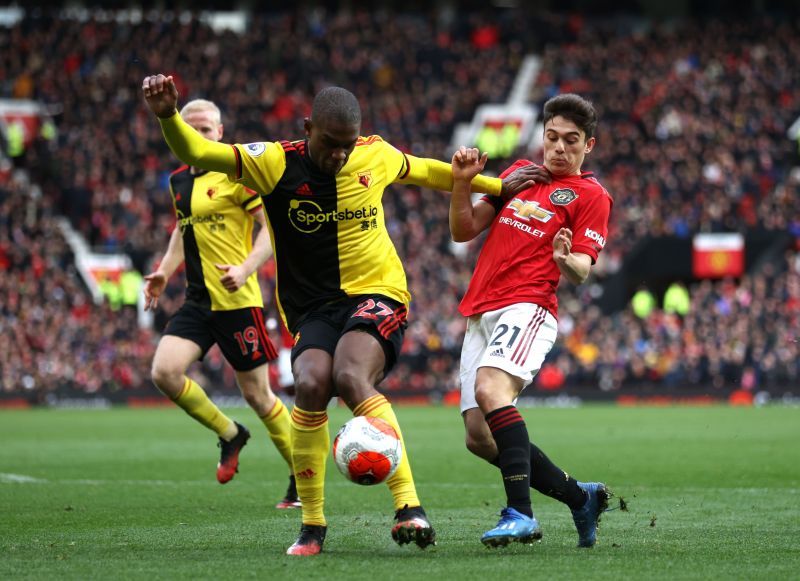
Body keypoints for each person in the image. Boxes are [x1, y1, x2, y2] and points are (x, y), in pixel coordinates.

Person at [142, 74, 548, 556]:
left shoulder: (373, 155)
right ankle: (312, 526)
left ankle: (409, 508)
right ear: (308, 127)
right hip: (312, 307)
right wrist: (168, 115)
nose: (339, 155)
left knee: (352, 376)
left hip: (378, 294)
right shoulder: (272, 163)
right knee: (311, 382)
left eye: (346, 146)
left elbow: (431, 173)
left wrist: (497, 186)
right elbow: (200, 153)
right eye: (331, 145)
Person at [449, 93, 613, 548]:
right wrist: (463, 183)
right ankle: (580, 497)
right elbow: (462, 230)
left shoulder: (592, 195)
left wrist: (564, 259)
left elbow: (582, 269)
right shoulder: (517, 176)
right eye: (552, 137)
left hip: (530, 306)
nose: (559, 148)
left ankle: (520, 513)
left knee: (490, 390)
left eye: (571, 141)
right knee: (479, 437)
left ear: (589, 146)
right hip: (480, 310)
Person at [142, 98, 298, 510]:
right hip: (198, 301)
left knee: (261, 398)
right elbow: (182, 229)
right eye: (189, 128)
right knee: (164, 372)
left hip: (237, 302)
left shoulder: (236, 175)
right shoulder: (178, 181)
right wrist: (163, 271)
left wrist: (247, 268)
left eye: (206, 129)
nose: (197, 135)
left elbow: (269, 231)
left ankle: (301, 476)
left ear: (221, 134)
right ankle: (231, 434)